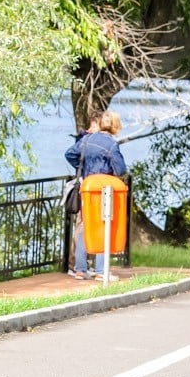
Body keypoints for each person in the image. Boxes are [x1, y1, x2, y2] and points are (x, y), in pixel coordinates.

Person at [64, 109, 127, 279]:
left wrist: (82, 167)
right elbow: (120, 169)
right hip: (105, 189)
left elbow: (69, 154)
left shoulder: (86, 140)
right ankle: (101, 271)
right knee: (104, 225)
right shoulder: (112, 144)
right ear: (114, 127)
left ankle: (80, 269)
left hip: (87, 187)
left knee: (85, 226)